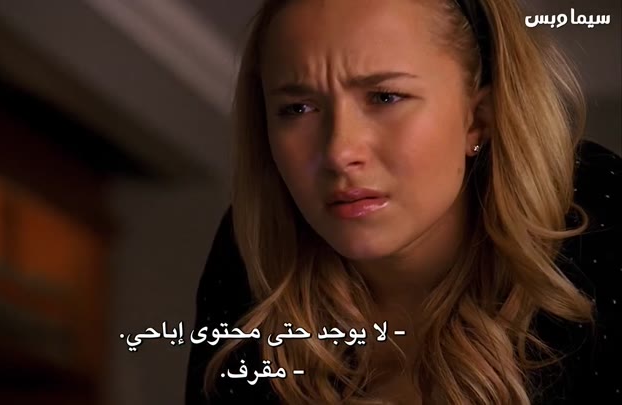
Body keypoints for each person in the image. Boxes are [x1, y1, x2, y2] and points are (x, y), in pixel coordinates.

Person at [185, 0, 621, 403]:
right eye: (297, 108)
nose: (339, 152)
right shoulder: (252, 260)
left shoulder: (601, 220)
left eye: (385, 97)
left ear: (478, 119)